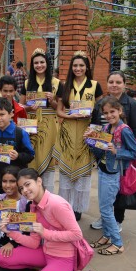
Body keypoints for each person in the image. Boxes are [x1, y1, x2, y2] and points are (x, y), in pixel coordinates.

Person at [0, 168, 94, 271]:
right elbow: (35, 243)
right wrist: (10, 232)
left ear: (39, 181)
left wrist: (46, 233)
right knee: (2, 257)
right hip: (45, 252)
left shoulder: (56, 204)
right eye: (21, 188)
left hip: (63, 258)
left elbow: (77, 234)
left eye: (28, 184)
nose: (25, 190)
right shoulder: (33, 207)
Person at [85, 96, 136, 255]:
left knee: (106, 209)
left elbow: (135, 153)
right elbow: (98, 151)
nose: (109, 115)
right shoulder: (106, 128)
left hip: (113, 174)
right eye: (106, 113)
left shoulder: (124, 130)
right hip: (103, 170)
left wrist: (117, 151)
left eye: (112, 112)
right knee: (104, 207)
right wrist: (90, 140)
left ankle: (117, 243)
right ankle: (107, 236)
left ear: (120, 111)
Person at [52, 51, 103, 220]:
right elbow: (59, 110)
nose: (78, 68)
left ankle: (78, 208)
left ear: (86, 67)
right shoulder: (65, 85)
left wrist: (95, 130)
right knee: (66, 171)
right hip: (67, 131)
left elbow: (100, 110)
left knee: (83, 170)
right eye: (75, 65)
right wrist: (70, 116)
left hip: (85, 132)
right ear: (71, 68)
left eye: (81, 65)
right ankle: (64, 207)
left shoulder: (94, 85)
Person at [90, 71, 136, 231]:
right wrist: (93, 140)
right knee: (107, 193)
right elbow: (95, 125)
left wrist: (121, 151)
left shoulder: (132, 104)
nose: (114, 85)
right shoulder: (102, 103)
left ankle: (117, 220)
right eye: (111, 82)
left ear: (124, 84)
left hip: (121, 157)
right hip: (104, 154)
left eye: (118, 82)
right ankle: (105, 216)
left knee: (120, 190)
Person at [20, 48, 62, 193]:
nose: (39, 65)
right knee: (31, 160)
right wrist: (29, 108)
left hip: (49, 125)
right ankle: (31, 198)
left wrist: (52, 101)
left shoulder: (56, 83)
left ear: (47, 63)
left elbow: (61, 109)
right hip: (31, 126)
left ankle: (47, 197)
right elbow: (21, 107)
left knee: (48, 163)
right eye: (36, 63)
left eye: (42, 62)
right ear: (32, 65)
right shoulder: (26, 83)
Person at [0, 97, 35, 198]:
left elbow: (30, 155)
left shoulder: (20, 133)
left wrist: (18, 156)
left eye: (2, 114)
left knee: (16, 209)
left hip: (15, 181)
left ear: (11, 114)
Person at [0, 166, 28, 271]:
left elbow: (27, 230)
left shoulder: (25, 202)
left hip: (18, 243)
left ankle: (25, 264)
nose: (8, 185)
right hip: (0, 241)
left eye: (12, 181)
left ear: (18, 183)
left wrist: (12, 244)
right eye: (4, 181)